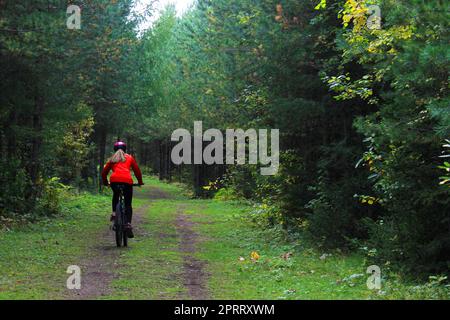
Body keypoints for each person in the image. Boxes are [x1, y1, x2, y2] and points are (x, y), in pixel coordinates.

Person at [102, 140, 144, 238]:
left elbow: (104, 173)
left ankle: (114, 213)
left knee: (116, 195)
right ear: (125, 149)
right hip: (127, 181)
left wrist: (105, 182)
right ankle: (128, 224)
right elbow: (137, 171)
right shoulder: (129, 157)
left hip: (114, 181)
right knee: (128, 203)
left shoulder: (112, 159)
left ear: (114, 149)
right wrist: (140, 181)